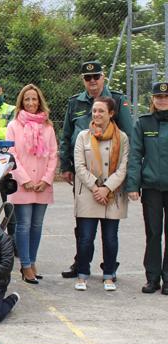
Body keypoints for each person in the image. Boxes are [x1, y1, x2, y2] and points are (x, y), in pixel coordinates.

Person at [60, 61, 133, 279]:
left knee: (110, 233)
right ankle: (81, 264)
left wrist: (113, 184)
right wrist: (65, 166)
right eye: (87, 78)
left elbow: (127, 137)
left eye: (96, 77)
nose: (92, 81)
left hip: (112, 177)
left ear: (103, 78)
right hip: (84, 175)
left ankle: (109, 269)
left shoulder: (118, 100)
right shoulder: (75, 102)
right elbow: (66, 136)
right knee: (83, 229)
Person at [73, 97, 129, 291]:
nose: (96, 115)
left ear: (111, 114)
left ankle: (109, 275)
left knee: (111, 237)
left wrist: (107, 188)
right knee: (86, 237)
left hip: (112, 195)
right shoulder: (83, 136)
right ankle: (82, 274)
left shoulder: (122, 138)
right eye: (94, 111)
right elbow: (79, 166)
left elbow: (123, 167)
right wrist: (96, 188)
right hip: (89, 194)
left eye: (101, 111)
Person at [6, 84, 58, 284]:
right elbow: (12, 154)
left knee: (37, 225)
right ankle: (25, 265)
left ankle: (33, 261)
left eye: (34, 99)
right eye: (27, 99)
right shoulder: (14, 126)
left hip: (42, 185)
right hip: (23, 184)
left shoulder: (48, 127)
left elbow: (53, 155)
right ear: (21, 102)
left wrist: (46, 179)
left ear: (39, 101)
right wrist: (24, 179)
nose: (31, 103)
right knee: (24, 225)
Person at [127, 81, 168, 294]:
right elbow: (135, 155)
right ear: (152, 99)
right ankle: (152, 278)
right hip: (151, 187)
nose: (162, 100)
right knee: (153, 233)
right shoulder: (144, 123)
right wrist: (133, 184)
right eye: (158, 97)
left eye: (166, 97)